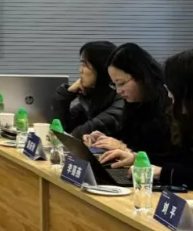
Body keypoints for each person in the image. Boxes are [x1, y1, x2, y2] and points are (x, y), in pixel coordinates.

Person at [100, 50, 193, 184]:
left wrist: (162, 172)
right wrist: (137, 158)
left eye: (121, 83)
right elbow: (180, 158)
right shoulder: (134, 106)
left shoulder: (166, 111)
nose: (119, 91)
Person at [88, 43, 173, 165]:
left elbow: (170, 160)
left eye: (121, 83)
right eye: (114, 84)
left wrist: (124, 148)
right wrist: (104, 139)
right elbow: (129, 138)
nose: (118, 91)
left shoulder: (169, 105)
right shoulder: (134, 103)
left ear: (140, 76)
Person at [51, 41, 123, 137]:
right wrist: (66, 95)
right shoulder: (94, 98)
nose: (80, 70)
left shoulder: (122, 99)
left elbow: (81, 133)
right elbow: (61, 128)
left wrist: (70, 136)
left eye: (84, 65)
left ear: (101, 68)